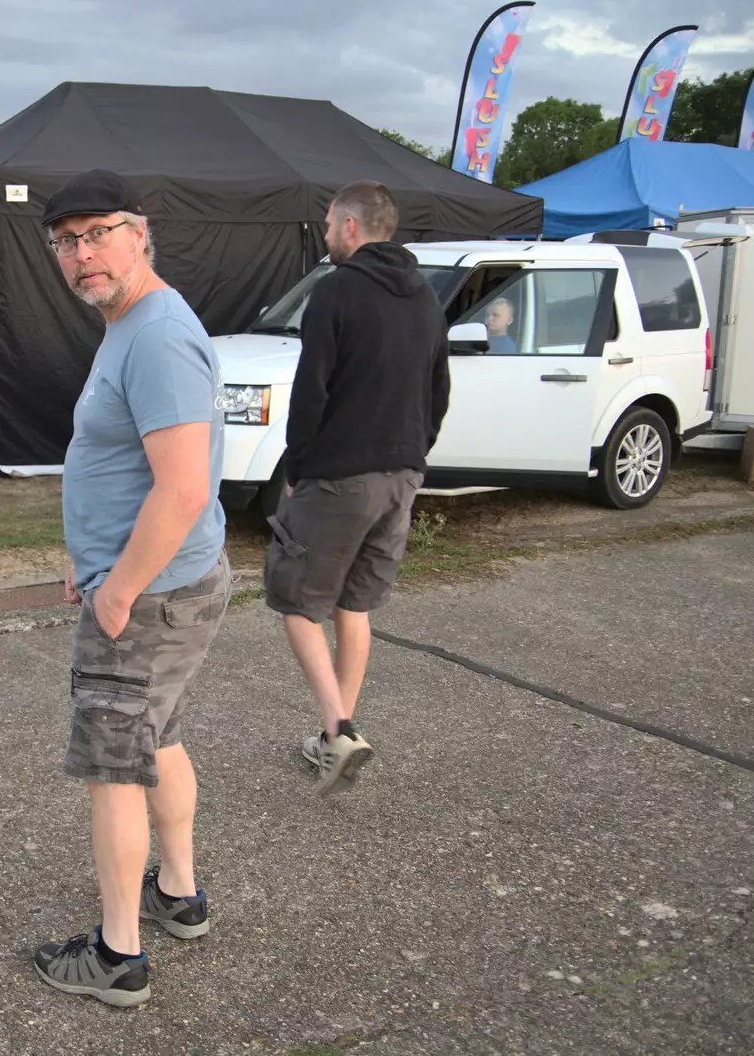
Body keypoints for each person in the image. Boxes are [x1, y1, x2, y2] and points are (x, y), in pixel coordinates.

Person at [32, 169, 231, 1008]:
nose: (83, 255)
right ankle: (179, 895)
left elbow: (182, 488)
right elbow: (124, 463)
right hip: (160, 585)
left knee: (114, 770)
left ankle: (119, 956)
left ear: (139, 231)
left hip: (149, 600)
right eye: (66, 242)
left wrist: (117, 592)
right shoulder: (133, 321)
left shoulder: (153, 334)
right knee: (162, 738)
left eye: (97, 234)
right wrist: (91, 549)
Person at [265, 180, 450, 795]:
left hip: (341, 475)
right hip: (403, 476)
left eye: (327, 223)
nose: (323, 232)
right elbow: (439, 391)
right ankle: (332, 742)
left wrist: (296, 466)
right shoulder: (425, 297)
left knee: (295, 600)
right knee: (354, 603)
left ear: (349, 227)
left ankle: (338, 727)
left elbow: (311, 390)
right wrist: (413, 455)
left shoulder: (336, 290)